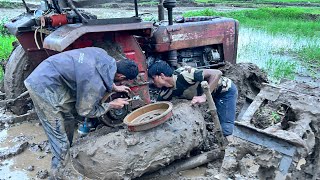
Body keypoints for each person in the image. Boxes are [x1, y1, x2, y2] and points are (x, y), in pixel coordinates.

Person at [24, 47, 139, 177]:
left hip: (52, 74)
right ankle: (58, 173)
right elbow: (85, 111)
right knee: (58, 137)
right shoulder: (94, 83)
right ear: (121, 75)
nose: (122, 82)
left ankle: (67, 154)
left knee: (68, 119)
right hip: (42, 86)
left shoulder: (103, 54)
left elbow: (101, 72)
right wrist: (111, 105)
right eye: (123, 80)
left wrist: (114, 86)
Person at [148, 61, 238, 138]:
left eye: (153, 78)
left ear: (162, 76)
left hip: (224, 91)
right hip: (211, 95)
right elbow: (157, 110)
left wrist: (204, 97)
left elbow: (217, 73)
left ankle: (231, 150)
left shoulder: (185, 74)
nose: (152, 82)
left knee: (226, 129)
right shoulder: (165, 93)